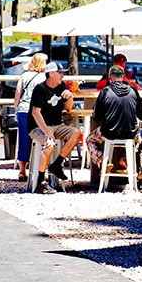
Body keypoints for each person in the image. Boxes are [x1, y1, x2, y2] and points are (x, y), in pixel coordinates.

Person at [86, 64, 142, 190]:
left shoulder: (105, 92)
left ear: (110, 77)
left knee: (90, 139)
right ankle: (127, 161)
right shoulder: (133, 91)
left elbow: (96, 115)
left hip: (109, 133)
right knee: (141, 137)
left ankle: (103, 161)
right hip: (131, 134)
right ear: (123, 77)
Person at [28, 62, 85, 194]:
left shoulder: (62, 86)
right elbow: (35, 112)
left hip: (56, 125)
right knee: (49, 144)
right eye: (60, 73)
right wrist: (47, 132)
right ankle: (40, 182)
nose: (62, 76)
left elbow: (68, 108)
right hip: (38, 126)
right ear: (51, 74)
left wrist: (70, 96)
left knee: (76, 133)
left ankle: (57, 164)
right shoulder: (40, 89)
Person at [12, 52, 49, 181]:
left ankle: (22, 170)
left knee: (24, 139)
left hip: (24, 109)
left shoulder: (24, 76)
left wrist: (16, 108)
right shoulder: (45, 77)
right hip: (39, 111)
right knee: (43, 137)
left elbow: (18, 93)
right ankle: (41, 168)